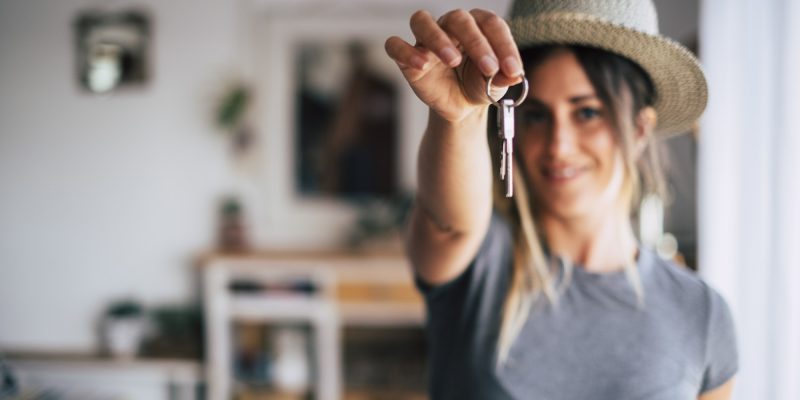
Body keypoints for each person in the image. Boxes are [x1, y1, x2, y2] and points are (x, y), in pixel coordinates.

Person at [384, 0, 738, 399]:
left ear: (639, 128)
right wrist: (459, 118)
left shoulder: (701, 314)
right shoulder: (481, 262)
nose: (559, 146)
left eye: (586, 113)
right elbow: (446, 223)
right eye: (535, 115)